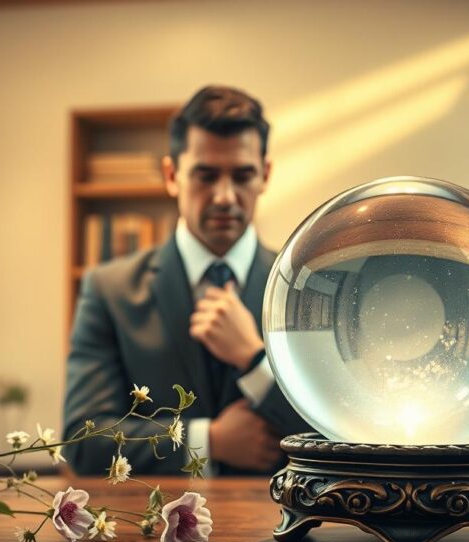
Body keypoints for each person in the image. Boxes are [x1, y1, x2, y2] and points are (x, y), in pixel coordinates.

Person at [63, 85, 311, 476]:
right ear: (172, 175)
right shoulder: (108, 290)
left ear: (264, 175)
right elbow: (83, 442)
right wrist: (208, 441)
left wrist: (254, 358)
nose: (225, 196)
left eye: (243, 175)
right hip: (151, 530)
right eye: (206, 176)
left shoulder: (305, 289)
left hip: (284, 531)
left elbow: (335, 438)